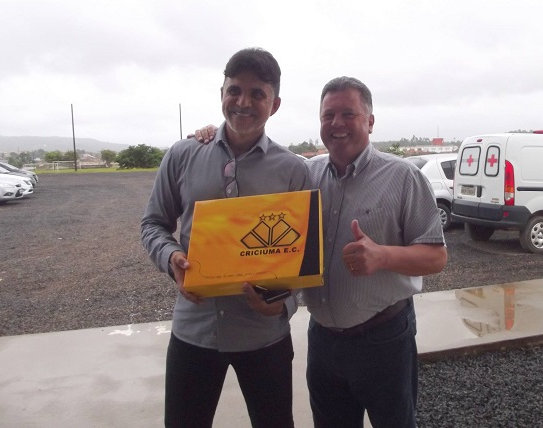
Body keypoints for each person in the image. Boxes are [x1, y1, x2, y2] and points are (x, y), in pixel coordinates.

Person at [193, 76, 447, 428]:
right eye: (328, 116)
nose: (337, 124)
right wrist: (212, 136)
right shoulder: (305, 175)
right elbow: (282, 248)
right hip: (324, 340)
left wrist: (383, 256)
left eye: (348, 114)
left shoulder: (403, 177)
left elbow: (436, 256)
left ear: (370, 121)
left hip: (384, 339)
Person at [141, 47, 310, 428]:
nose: (243, 102)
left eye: (257, 94)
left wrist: (283, 306)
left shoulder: (293, 171)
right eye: (234, 90)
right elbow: (153, 224)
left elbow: (304, 255)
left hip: (264, 335)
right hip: (194, 331)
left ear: (275, 103)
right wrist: (171, 259)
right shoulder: (183, 155)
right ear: (221, 95)